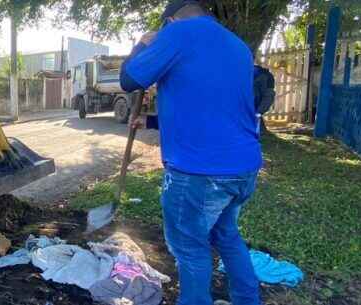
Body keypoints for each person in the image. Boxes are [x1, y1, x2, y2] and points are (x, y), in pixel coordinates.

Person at [119, 1, 263, 305]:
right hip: (243, 167)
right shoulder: (237, 45)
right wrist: (151, 121)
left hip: (200, 174)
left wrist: (140, 45)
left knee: (190, 248)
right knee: (226, 236)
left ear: (172, 20)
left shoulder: (178, 34)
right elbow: (215, 106)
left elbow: (129, 79)